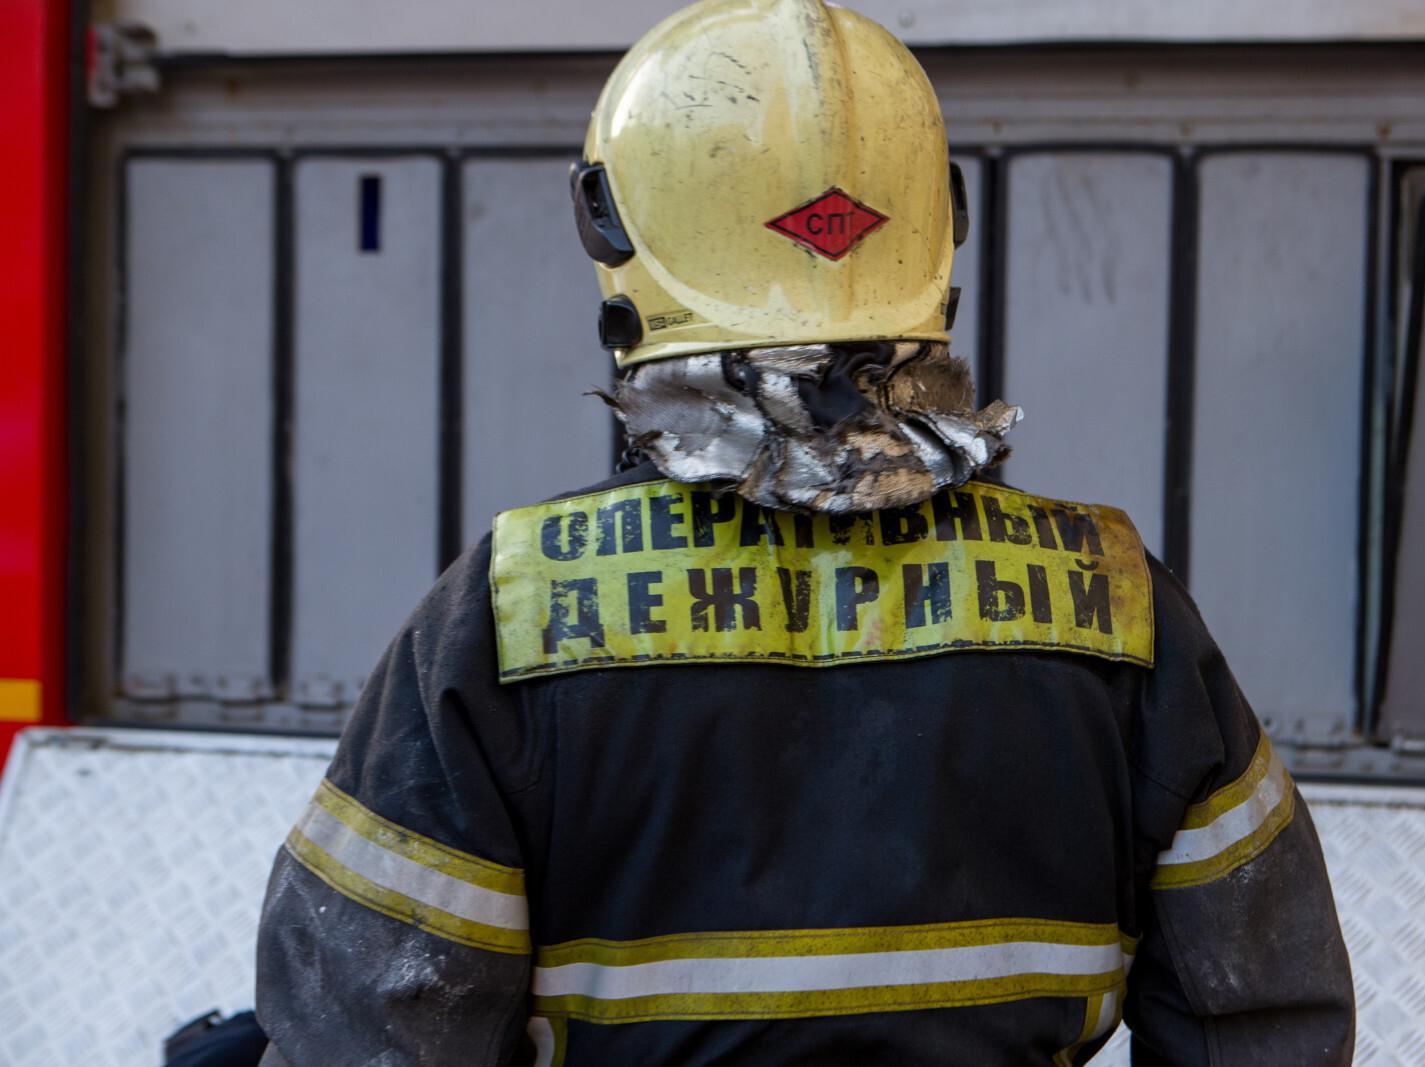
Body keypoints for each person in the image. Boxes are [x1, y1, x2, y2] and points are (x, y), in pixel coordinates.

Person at [254, 1, 1356, 1063]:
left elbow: (372, 1027)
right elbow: (1262, 1017)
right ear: (939, 225)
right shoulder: (1116, 601)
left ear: (615, 227)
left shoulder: (511, 610)